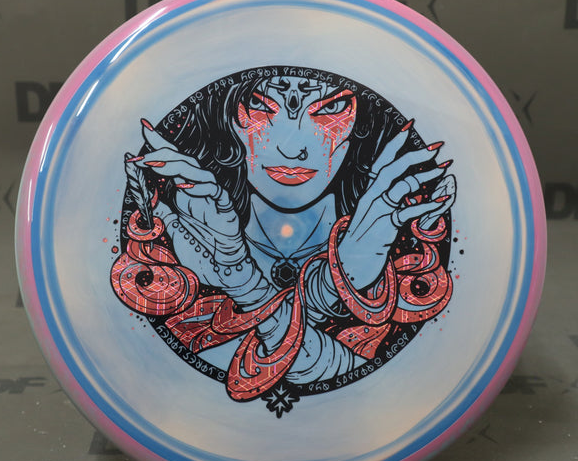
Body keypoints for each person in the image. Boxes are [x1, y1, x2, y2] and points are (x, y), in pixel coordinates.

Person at [111, 66, 455, 406]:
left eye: (331, 108)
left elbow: (376, 396)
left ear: (360, 126)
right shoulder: (177, 248)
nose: (292, 150)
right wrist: (334, 280)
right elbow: (177, 392)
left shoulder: (398, 264)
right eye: (259, 105)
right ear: (228, 118)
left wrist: (239, 276)